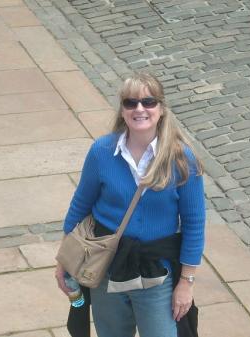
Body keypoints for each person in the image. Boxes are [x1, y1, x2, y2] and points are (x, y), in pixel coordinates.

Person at [55, 72, 206, 337]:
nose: (139, 109)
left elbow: (195, 225)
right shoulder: (102, 151)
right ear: (122, 110)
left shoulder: (182, 159)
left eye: (148, 102)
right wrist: (64, 260)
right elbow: (80, 206)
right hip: (105, 266)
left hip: (157, 272)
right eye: (130, 103)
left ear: (161, 109)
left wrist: (186, 283)